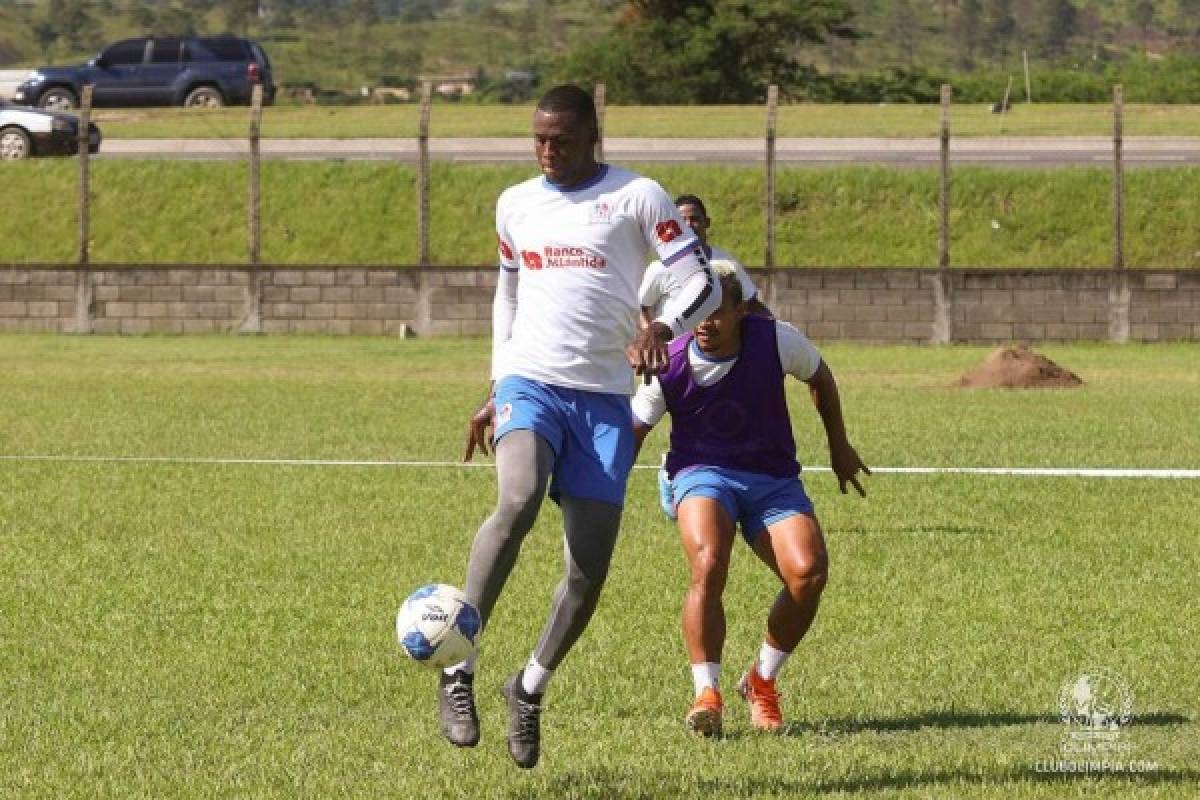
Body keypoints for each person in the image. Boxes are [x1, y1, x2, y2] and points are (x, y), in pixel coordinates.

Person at [441, 84, 723, 769]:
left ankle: (529, 686)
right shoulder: (516, 204)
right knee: (517, 498)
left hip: (601, 400)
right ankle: (459, 664)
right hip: (530, 383)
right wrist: (498, 378)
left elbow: (705, 285)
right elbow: (507, 294)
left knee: (587, 570)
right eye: (537, 140)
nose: (547, 152)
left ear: (593, 137)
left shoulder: (639, 197)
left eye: (560, 141)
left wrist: (662, 326)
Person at [631, 263, 870, 736]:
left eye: (716, 311)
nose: (705, 322)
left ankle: (760, 680)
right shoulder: (670, 361)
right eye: (695, 312)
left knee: (807, 574)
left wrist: (839, 446)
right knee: (709, 561)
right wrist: (596, 488)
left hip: (771, 477)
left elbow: (820, 376)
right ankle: (707, 694)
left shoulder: (775, 339)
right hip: (701, 472)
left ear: (740, 310)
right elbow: (633, 431)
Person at [639, 194, 771, 328]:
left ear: (707, 222)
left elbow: (752, 304)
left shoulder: (727, 265)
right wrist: (653, 337)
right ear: (673, 225)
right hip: (673, 346)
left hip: (714, 346)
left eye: (695, 219)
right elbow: (643, 307)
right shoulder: (661, 267)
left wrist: (776, 331)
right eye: (681, 220)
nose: (689, 225)